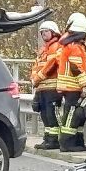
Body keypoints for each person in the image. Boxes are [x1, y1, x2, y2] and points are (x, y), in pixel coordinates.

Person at [56, 12, 86, 152]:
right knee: (72, 114)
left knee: (76, 115)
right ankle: (67, 144)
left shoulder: (71, 45)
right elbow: (76, 68)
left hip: (70, 86)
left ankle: (78, 142)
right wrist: (84, 85)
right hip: (72, 87)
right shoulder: (75, 47)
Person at [29, 20, 62, 150]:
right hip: (41, 87)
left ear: (53, 32)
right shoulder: (43, 49)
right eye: (42, 32)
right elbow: (36, 65)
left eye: (46, 31)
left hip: (52, 87)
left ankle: (54, 140)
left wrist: (37, 78)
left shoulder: (56, 47)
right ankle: (47, 139)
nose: (43, 34)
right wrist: (33, 77)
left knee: (50, 114)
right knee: (44, 114)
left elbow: (51, 65)